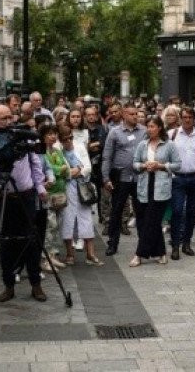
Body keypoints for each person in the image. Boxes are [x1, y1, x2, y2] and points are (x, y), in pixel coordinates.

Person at [0, 104, 48, 303]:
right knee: (5, 240)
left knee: (31, 239)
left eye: (10, 117)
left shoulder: (21, 135)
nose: (9, 121)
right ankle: (8, 285)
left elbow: (35, 163)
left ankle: (35, 284)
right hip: (1, 195)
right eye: (3, 118)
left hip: (25, 194)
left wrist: (40, 187)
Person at [130, 116, 181, 267]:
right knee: (150, 221)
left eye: (153, 126)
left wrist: (162, 166)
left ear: (159, 128)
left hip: (161, 186)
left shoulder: (169, 145)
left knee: (151, 221)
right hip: (145, 185)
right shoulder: (142, 145)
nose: (150, 129)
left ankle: (139, 254)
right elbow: (134, 163)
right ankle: (161, 253)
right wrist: (144, 166)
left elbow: (178, 165)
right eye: (148, 126)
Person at [101, 103, 146, 256]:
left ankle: (143, 244)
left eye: (137, 114)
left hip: (139, 177)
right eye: (132, 114)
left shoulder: (144, 131)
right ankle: (112, 243)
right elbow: (107, 156)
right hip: (121, 177)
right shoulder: (115, 132)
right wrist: (106, 178)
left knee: (141, 211)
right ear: (124, 114)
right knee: (116, 211)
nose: (135, 117)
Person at [168, 107, 195, 260]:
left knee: (192, 212)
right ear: (180, 118)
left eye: (190, 117)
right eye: (184, 117)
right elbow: (166, 155)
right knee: (177, 210)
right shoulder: (172, 135)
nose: (187, 120)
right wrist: (171, 173)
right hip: (177, 178)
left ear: (194, 119)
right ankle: (175, 245)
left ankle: (187, 243)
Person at [59, 126, 103, 266]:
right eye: (65, 139)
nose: (69, 141)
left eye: (70, 137)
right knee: (67, 219)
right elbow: (61, 173)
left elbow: (88, 167)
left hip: (83, 186)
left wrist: (75, 172)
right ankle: (69, 254)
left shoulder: (79, 147)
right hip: (67, 188)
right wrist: (74, 171)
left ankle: (90, 254)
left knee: (86, 218)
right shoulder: (58, 151)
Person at [40, 124, 69, 268]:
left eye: (55, 134)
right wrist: (59, 170)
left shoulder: (57, 150)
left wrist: (61, 170)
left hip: (60, 191)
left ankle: (53, 255)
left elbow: (67, 169)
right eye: (49, 134)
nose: (53, 136)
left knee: (57, 225)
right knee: (49, 225)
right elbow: (47, 170)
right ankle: (45, 258)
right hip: (48, 193)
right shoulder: (41, 152)